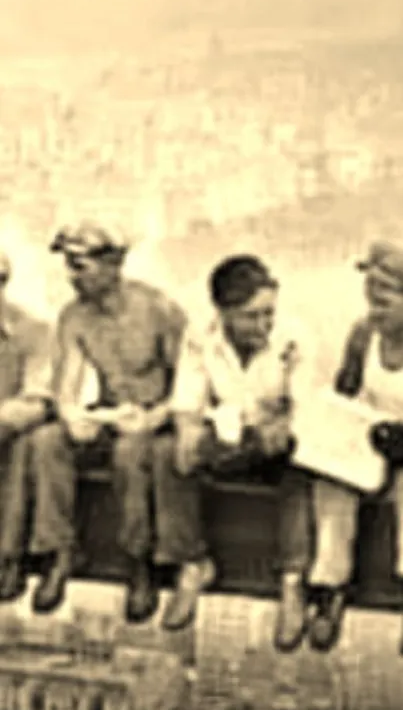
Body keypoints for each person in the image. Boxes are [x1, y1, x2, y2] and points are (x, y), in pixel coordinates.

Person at [28, 221, 215, 626]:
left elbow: (189, 383)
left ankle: (139, 562)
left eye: (80, 266)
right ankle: (59, 550)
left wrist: (154, 417)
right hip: (113, 414)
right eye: (70, 266)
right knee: (47, 442)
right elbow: (68, 384)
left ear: (112, 265)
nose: (72, 277)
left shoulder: (157, 309)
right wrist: (75, 416)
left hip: (157, 418)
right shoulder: (74, 318)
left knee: (130, 453)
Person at [171, 254, 313, 652]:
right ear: (224, 313)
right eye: (252, 316)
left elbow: (308, 406)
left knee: (299, 473)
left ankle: (292, 583)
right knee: (176, 456)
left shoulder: (295, 338)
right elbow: (188, 399)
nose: (264, 325)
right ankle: (193, 561)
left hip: (279, 444)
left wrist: (284, 426)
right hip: (232, 437)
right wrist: (188, 431)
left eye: (269, 314)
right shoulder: (201, 336)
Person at [307, 239, 403, 653]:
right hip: (370, 445)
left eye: (385, 302)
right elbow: (346, 391)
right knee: (331, 485)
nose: (374, 311)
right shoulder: (363, 335)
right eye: (371, 301)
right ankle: (330, 586)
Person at [0, 251, 55, 602]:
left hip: (6, 440)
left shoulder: (33, 332)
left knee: (29, 443)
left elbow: (38, 399)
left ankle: (8, 556)